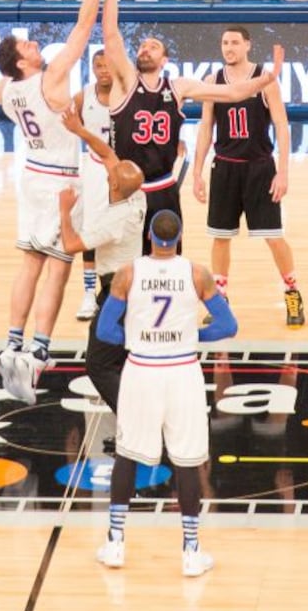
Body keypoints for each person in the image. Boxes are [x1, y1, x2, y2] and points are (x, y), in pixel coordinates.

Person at [0, 0, 120, 406]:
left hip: (30, 175)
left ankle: (11, 342)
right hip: (64, 177)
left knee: (28, 261)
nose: (35, 43)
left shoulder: (7, 91)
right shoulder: (47, 78)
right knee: (57, 269)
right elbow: (85, 25)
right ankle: (38, 354)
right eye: (27, 44)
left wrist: (9, 73)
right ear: (23, 61)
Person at [102, 0, 285, 253]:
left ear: (165, 59)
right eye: (143, 45)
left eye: (154, 46)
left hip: (164, 188)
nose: (146, 48)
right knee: (122, 264)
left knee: (168, 260)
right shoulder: (125, 83)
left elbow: (232, 93)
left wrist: (267, 78)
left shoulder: (178, 87)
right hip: (127, 187)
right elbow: (110, 34)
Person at [95, 209, 238, 575]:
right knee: (187, 461)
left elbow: (105, 332)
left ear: (149, 237)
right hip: (182, 372)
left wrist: (136, 339)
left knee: (127, 455)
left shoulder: (128, 273)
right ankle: (191, 552)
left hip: (141, 370)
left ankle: (115, 543)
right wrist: (195, 337)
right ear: (178, 237)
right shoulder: (197, 273)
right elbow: (228, 325)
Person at [192, 24, 305, 328]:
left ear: (247, 46)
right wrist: (196, 172)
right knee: (220, 237)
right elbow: (205, 129)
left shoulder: (265, 79)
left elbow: (282, 126)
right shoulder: (212, 81)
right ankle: (221, 299)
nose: (228, 48)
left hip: (259, 167)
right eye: (224, 43)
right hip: (225, 167)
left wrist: (282, 172)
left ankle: (292, 292)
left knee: (273, 236)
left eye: (234, 42)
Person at [59, 105, 146, 413]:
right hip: (134, 288)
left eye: (111, 174)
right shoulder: (137, 195)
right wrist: (80, 131)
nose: (110, 168)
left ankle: (133, 420)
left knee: (97, 365)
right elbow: (108, 154)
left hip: (118, 295)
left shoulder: (112, 222)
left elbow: (71, 245)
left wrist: (65, 210)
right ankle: (137, 417)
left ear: (112, 184)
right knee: (123, 359)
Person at [73, 48, 112, 321]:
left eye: (108, 65)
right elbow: (66, 127)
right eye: (98, 65)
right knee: (90, 231)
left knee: (122, 232)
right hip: (94, 169)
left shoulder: (129, 94)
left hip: (122, 170)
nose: (104, 70)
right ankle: (89, 293)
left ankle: (117, 290)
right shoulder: (83, 96)